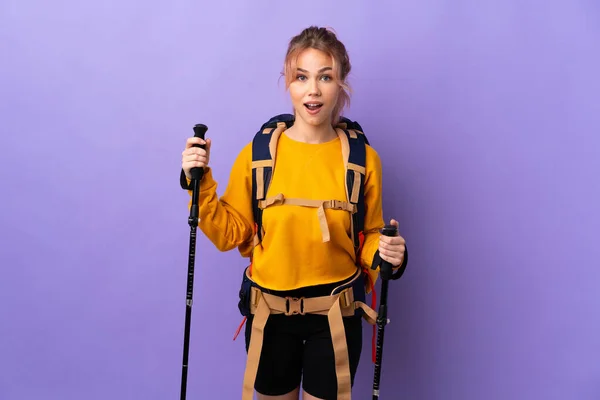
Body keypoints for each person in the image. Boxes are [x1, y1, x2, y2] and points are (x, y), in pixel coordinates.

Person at [180, 26, 407, 400]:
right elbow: (229, 233)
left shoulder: (363, 160)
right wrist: (199, 183)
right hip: (270, 317)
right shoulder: (259, 155)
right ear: (289, 83)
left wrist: (389, 255)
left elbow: (368, 239)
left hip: (335, 316)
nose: (313, 90)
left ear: (341, 85)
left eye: (325, 77)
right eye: (302, 77)